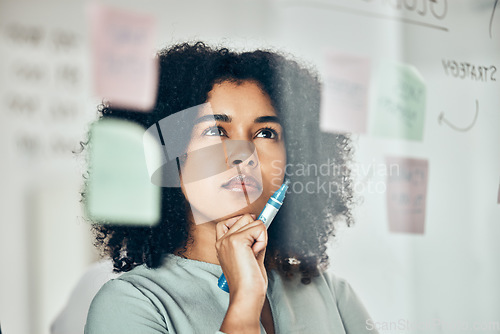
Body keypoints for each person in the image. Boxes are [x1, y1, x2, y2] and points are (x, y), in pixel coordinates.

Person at [84, 41, 377, 333]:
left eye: (265, 132)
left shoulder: (331, 294)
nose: (243, 153)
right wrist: (244, 301)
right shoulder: (132, 303)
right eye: (215, 130)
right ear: (168, 155)